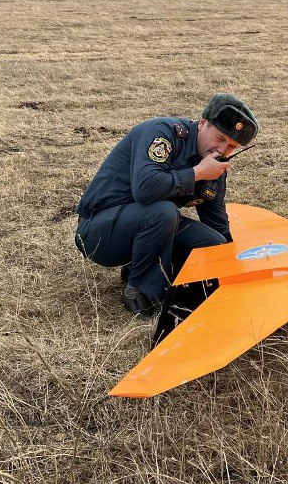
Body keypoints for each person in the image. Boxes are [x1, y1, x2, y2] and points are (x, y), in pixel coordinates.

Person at [74, 94, 260, 318]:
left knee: (213, 243)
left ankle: (146, 271)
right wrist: (198, 172)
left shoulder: (214, 164)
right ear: (202, 123)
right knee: (164, 212)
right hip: (99, 231)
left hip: (146, 225)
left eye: (231, 146)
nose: (221, 150)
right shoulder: (163, 134)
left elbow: (217, 222)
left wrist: (233, 272)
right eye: (219, 138)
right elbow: (145, 190)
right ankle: (139, 290)